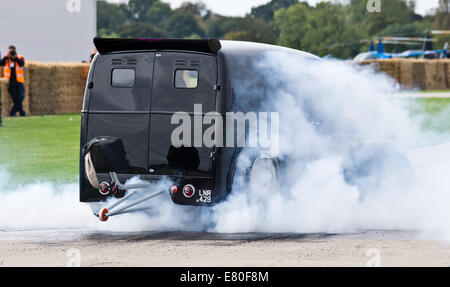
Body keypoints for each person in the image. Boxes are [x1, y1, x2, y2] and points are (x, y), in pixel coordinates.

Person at [0, 45, 26, 116]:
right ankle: (20, 112)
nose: (11, 53)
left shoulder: (19, 57)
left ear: (15, 51)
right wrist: (6, 56)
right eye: (10, 51)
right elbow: (1, 63)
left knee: (21, 96)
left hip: (19, 81)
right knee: (14, 97)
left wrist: (15, 58)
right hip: (11, 82)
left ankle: (14, 111)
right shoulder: (6, 58)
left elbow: (22, 64)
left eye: (12, 51)